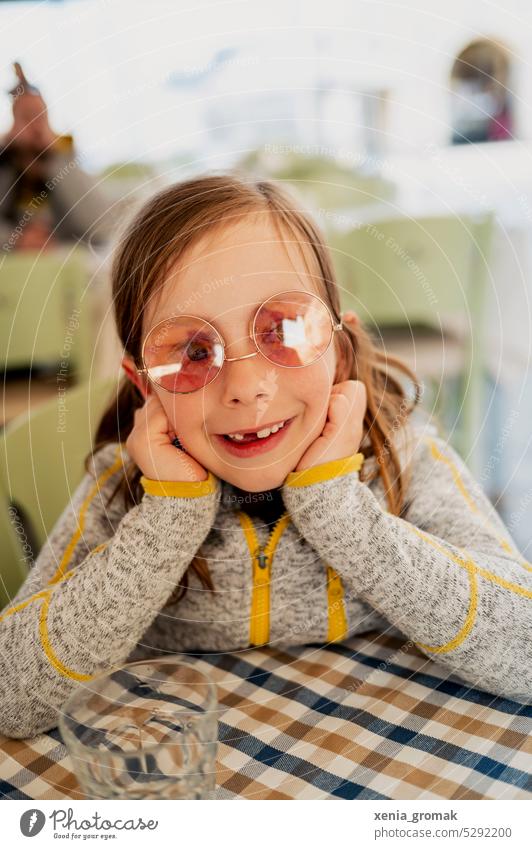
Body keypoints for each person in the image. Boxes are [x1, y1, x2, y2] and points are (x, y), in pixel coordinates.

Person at [0, 174, 530, 739]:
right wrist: (168, 519)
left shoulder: (403, 456)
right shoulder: (121, 490)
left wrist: (336, 509)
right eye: (195, 351)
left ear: (339, 349)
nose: (247, 386)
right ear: (144, 385)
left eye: (283, 330)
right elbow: (11, 697)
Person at [0, 62, 113, 252]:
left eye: (40, 117)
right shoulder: (6, 162)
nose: (34, 127)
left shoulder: (63, 158)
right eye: (25, 118)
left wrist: (54, 158)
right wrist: (15, 239)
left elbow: (102, 229)